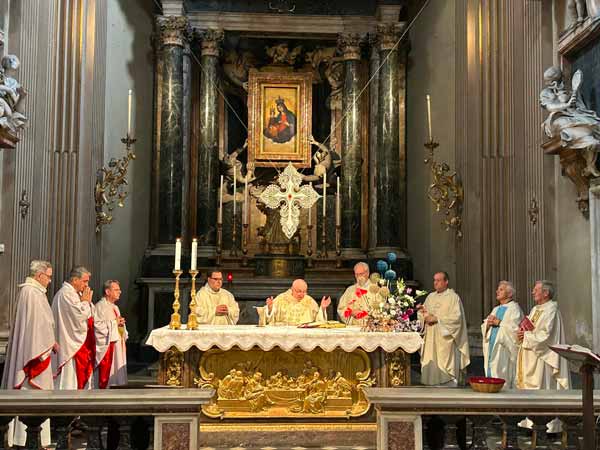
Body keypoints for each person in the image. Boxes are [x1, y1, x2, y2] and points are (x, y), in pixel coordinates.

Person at [2, 260, 56, 448]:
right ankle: (26, 439)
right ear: (39, 275)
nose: (50, 280)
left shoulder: (33, 292)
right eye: (48, 276)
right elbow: (37, 327)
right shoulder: (31, 293)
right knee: (29, 394)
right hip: (33, 352)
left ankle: (30, 439)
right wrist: (49, 343)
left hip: (34, 347)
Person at [516, 280, 570, 433]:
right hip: (530, 356)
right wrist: (521, 333)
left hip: (542, 357)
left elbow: (546, 336)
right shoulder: (535, 309)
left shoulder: (551, 310)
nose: (532, 292)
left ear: (546, 293)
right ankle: (528, 424)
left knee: (542, 388)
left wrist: (526, 336)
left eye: (536, 289)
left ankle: (546, 426)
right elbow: (529, 329)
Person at [418, 272, 470, 386]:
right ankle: (430, 382)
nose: (435, 283)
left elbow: (456, 318)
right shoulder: (430, 297)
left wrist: (437, 319)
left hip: (444, 338)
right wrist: (423, 314)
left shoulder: (453, 297)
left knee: (444, 364)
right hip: (431, 335)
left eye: (438, 280)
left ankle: (448, 382)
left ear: (446, 282)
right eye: (434, 280)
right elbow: (423, 314)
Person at [52, 266, 95, 390]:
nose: (87, 285)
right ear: (75, 280)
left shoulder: (74, 294)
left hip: (71, 340)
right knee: (68, 381)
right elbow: (79, 316)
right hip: (68, 343)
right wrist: (85, 302)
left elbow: (89, 314)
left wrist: (86, 302)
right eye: (85, 281)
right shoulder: (66, 294)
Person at [481, 281, 524, 387]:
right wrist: (487, 324)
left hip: (504, 350)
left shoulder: (514, 309)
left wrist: (499, 322)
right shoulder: (496, 309)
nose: (497, 291)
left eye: (501, 289)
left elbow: (515, 330)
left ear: (509, 293)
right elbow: (485, 325)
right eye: (498, 289)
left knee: (501, 377)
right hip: (491, 348)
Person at [94, 280, 128, 388]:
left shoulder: (115, 307)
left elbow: (116, 324)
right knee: (108, 375)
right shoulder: (100, 306)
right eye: (116, 290)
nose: (120, 292)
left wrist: (121, 325)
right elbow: (97, 327)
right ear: (107, 292)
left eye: (119, 289)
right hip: (108, 346)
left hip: (117, 344)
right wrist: (114, 323)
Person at [265, 279, 330, 325]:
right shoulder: (281, 299)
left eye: (304, 291)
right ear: (292, 289)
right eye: (299, 291)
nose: (301, 294)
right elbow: (268, 318)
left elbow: (319, 321)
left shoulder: (310, 301)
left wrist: (322, 308)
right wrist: (270, 309)